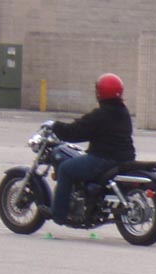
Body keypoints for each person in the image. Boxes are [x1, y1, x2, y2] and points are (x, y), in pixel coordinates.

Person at [45, 73, 135, 224]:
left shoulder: (101, 114)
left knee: (65, 169)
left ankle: (58, 214)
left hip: (103, 158)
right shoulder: (123, 112)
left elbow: (76, 132)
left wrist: (56, 126)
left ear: (100, 93)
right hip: (124, 158)